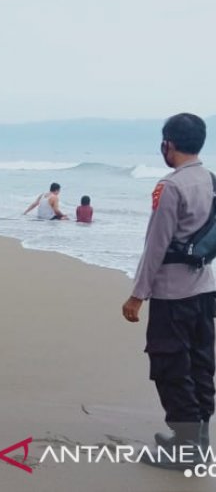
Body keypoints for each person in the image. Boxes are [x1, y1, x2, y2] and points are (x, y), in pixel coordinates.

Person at [122, 113, 216, 468]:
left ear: (168, 145)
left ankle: (186, 449)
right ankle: (196, 438)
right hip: (205, 290)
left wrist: (137, 294)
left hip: (172, 294)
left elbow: (156, 245)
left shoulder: (171, 186)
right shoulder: (212, 181)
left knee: (170, 365)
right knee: (200, 365)